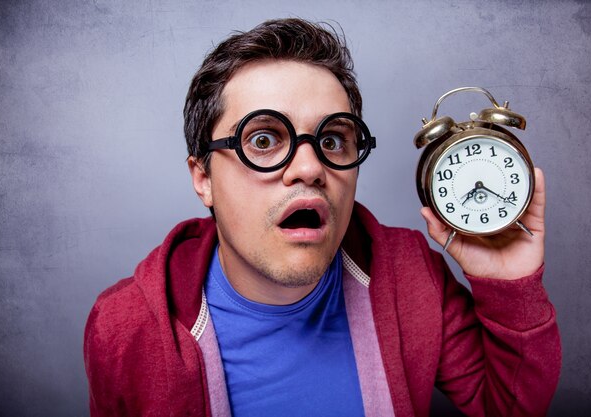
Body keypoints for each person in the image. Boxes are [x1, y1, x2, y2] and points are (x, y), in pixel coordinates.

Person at [84, 18, 561, 417]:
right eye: (264, 139)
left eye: (332, 140)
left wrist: (510, 285)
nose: (311, 168)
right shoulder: (125, 330)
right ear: (203, 177)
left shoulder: (411, 274)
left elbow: (509, 407)